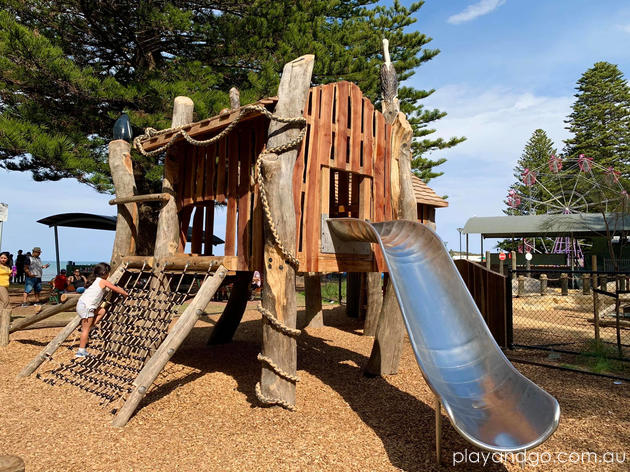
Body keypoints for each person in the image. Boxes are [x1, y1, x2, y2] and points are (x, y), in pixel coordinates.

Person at [75, 262, 128, 358]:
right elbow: (115, 288)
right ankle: (81, 351)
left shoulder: (95, 280)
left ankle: (91, 326)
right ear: (105, 273)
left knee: (102, 311)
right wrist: (125, 293)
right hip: (87, 307)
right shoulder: (103, 281)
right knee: (85, 330)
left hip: (82, 305)